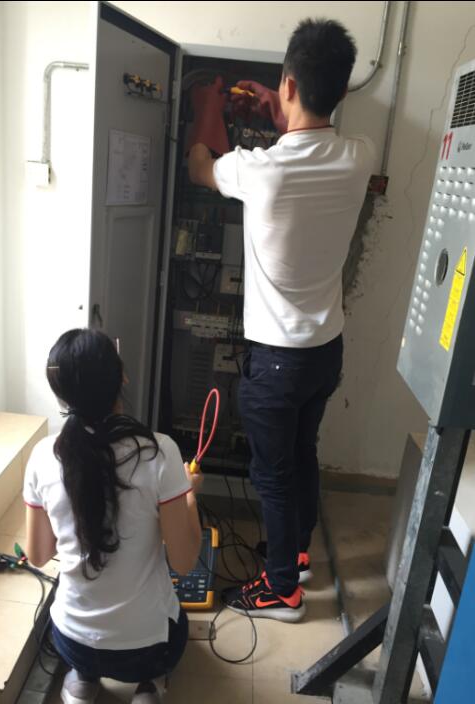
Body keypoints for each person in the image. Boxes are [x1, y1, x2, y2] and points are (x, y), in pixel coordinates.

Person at [188, 19, 374, 622]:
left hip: (275, 361)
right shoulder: (359, 156)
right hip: (325, 351)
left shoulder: (260, 171)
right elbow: (311, 133)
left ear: (289, 83)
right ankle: (295, 555)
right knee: (302, 453)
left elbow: (200, 164)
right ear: (341, 90)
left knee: (271, 473)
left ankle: (283, 591)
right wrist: (280, 105)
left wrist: (207, 106)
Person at [23, 329, 202, 704]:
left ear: (60, 392)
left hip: (71, 640)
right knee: (175, 629)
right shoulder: (159, 452)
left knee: (85, 652)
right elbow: (185, 561)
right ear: (122, 377)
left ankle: (82, 680)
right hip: (149, 649)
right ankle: (149, 686)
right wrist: (189, 495)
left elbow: (38, 554)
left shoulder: (42, 456)